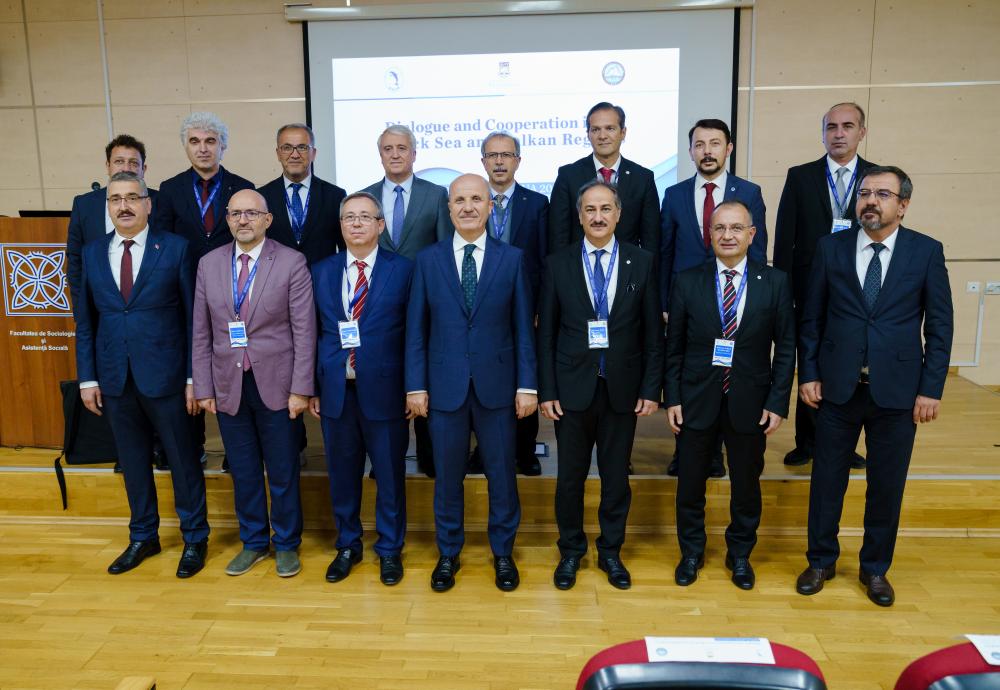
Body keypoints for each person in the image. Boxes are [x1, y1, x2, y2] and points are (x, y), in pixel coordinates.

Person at [795, 166, 953, 607]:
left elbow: (940, 326)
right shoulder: (831, 248)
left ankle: (875, 568)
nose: (870, 201)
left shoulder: (926, 252)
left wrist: (931, 388)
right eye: (865, 192)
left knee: (886, 485)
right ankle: (821, 560)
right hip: (836, 388)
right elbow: (811, 319)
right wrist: (809, 373)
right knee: (826, 481)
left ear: (903, 205)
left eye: (882, 194)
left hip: (898, 392)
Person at [405, 174, 536, 592]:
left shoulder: (512, 259)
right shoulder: (427, 260)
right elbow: (416, 330)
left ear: (490, 207)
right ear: (449, 208)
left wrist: (527, 386)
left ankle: (503, 553)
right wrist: (415, 386)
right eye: (459, 200)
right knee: (447, 477)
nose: (467, 207)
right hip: (444, 389)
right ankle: (448, 553)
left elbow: (523, 328)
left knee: (502, 475)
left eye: (476, 199)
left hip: (498, 387)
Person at [74, 171, 209, 578]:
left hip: (167, 377)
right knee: (132, 462)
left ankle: (194, 537)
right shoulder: (93, 252)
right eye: (116, 199)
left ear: (148, 204)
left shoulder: (176, 248)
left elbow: (195, 320)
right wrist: (87, 378)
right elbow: (86, 320)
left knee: (183, 460)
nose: (125, 206)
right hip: (115, 377)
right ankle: (143, 535)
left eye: (133, 197)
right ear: (108, 207)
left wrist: (193, 378)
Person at [538, 179, 662, 591]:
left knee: (615, 478)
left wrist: (650, 388)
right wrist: (547, 390)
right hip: (571, 389)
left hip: (621, 389)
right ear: (579, 216)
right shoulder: (558, 263)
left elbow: (652, 334)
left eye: (605, 208)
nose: (597, 216)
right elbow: (546, 334)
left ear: (618, 214)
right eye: (589, 209)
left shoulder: (641, 261)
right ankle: (571, 551)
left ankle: (611, 551)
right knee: (569, 479)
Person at [664, 201, 794, 590]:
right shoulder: (687, 281)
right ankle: (691, 552)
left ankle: (740, 554)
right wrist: (673, 398)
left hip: (750, 402)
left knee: (746, 487)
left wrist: (777, 402)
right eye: (719, 228)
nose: (727, 235)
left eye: (736, 228)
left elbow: (786, 347)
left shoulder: (775, 282)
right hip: (695, 399)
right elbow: (674, 347)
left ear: (751, 235)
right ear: (710, 235)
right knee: (690, 485)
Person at [192, 189, 315, 578]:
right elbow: (201, 331)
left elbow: (304, 331)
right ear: (227, 219)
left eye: (251, 213)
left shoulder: (291, 262)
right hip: (228, 383)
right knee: (243, 470)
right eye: (235, 214)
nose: (243, 220)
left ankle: (287, 544)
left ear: (267, 219)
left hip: (278, 384)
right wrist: (203, 386)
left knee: (282, 471)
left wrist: (301, 388)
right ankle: (254, 542)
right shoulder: (209, 264)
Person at [310, 192, 413, 586]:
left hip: (387, 391)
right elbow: (313, 333)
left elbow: (415, 333)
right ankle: (348, 545)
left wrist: (413, 387)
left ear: (380, 225)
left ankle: (389, 549)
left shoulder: (403, 270)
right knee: (342, 475)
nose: (356, 223)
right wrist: (312, 386)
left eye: (365, 217)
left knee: (389, 476)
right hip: (336, 391)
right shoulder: (321, 270)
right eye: (349, 217)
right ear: (340, 225)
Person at [660, 119, 769, 478]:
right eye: (699, 144)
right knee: (690, 373)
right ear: (691, 151)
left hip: (734, 300)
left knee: (726, 375)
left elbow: (758, 251)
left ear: (728, 149)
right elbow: (666, 252)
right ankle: (686, 450)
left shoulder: (749, 192)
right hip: (688, 303)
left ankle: (717, 451)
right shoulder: (674, 195)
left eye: (715, 143)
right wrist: (665, 302)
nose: (707, 151)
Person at [774, 102, 875, 469]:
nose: (839, 133)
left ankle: (844, 446)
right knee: (810, 361)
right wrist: (782, 292)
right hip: (807, 287)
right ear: (822, 134)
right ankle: (807, 442)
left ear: (861, 132)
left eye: (847, 126)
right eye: (831, 127)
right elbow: (784, 238)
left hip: (858, 290)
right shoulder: (800, 176)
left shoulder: (876, 177)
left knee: (849, 366)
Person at [154, 112, 255, 469]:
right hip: (184, 290)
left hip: (232, 291)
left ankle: (237, 450)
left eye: (210, 141)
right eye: (195, 141)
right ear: (185, 146)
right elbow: (162, 243)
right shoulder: (169, 189)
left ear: (223, 146)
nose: (203, 148)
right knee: (192, 365)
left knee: (233, 364)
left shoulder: (243, 187)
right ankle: (193, 444)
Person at [361, 124, 451, 477]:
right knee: (385, 381)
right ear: (380, 154)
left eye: (402, 148)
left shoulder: (437, 194)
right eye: (388, 148)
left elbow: (443, 251)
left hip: (424, 303)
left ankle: (429, 458)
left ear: (414, 153)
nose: (395, 154)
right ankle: (386, 460)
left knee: (425, 377)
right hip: (377, 307)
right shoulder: (365, 197)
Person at [468, 131, 549, 476]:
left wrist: (540, 306)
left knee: (524, 374)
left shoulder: (537, 203)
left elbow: (545, 259)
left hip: (524, 305)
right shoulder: (471, 202)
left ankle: (525, 450)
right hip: (479, 307)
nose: (499, 161)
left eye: (506, 155)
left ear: (518, 160)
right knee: (483, 378)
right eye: (492, 155)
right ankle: (483, 449)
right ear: (483, 161)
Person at [548, 102, 659, 260]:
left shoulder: (643, 178)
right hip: (578, 269)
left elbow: (651, 241)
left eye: (610, 128)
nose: (602, 136)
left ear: (623, 132)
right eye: (595, 129)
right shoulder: (568, 175)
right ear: (588, 134)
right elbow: (558, 238)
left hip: (628, 270)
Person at [67, 134, 158, 312]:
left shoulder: (160, 201)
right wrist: (82, 312)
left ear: (144, 169)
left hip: (151, 312)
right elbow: (75, 262)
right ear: (107, 166)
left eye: (134, 163)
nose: (126, 168)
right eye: (119, 161)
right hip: (100, 311)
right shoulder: (84, 204)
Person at [258, 123, 347, 265]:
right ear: (278, 154)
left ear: (314, 153)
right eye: (287, 148)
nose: (294, 155)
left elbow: (345, 249)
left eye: (302, 147)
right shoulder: (262, 197)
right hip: (277, 277)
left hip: (322, 278)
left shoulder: (335, 196)